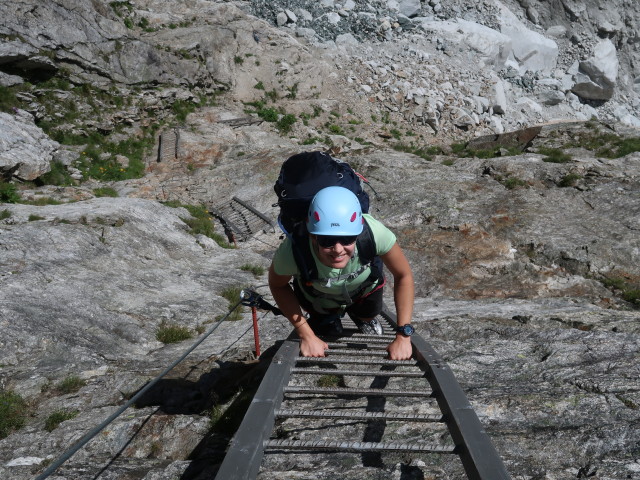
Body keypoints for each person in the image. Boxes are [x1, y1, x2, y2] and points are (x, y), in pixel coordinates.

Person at [268, 185, 415, 360]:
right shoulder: (293, 250)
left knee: (369, 312)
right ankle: (330, 319)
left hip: (362, 290)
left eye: (347, 238)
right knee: (326, 327)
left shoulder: (374, 233)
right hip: (319, 297)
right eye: (327, 240)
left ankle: (362, 317)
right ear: (312, 235)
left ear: (359, 232)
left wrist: (403, 335)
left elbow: (403, 275)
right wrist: (306, 335)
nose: (338, 249)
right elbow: (278, 286)